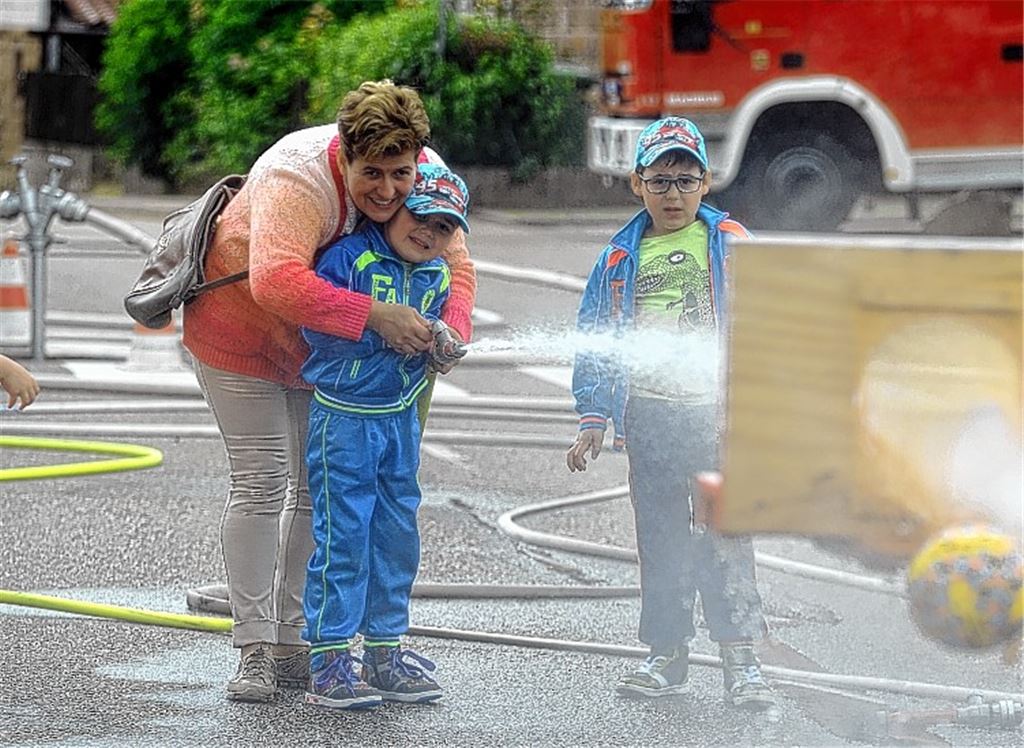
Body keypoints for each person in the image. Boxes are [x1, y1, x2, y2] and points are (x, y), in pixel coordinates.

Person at [181, 80, 476, 703]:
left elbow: (458, 261)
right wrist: (377, 315)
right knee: (263, 483)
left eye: (401, 174)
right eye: (372, 173)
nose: (390, 192)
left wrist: (451, 331)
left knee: (321, 494)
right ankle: (255, 649)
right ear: (342, 154)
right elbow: (276, 281)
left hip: (325, 355)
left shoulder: (427, 171)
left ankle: (302, 642)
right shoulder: (298, 176)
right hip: (244, 333)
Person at [565, 117, 776, 710]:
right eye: (660, 181)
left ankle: (742, 660)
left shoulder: (732, 242)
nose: (674, 194)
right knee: (660, 541)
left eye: (686, 180)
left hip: (716, 423)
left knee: (725, 538)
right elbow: (597, 337)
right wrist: (593, 418)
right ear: (637, 185)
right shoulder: (618, 258)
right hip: (652, 420)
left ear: (707, 182)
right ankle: (666, 654)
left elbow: (770, 323)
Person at [300, 163, 470, 710]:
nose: (429, 233)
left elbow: (438, 338)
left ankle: (384, 651)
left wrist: (441, 343)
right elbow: (316, 330)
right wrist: (380, 334)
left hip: (400, 421)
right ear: (396, 206)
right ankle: (328, 658)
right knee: (343, 539)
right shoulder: (349, 259)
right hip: (344, 420)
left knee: (396, 539)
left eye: (445, 227)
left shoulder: (437, 275)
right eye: (422, 217)